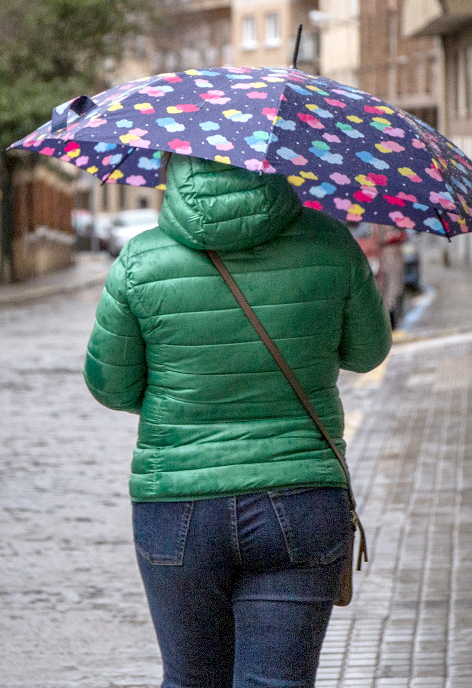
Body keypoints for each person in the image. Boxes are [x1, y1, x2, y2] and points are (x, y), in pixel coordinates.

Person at [83, 154, 392, 688]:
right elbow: (367, 353)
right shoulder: (329, 242)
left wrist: (187, 397)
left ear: (175, 164)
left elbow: (110, 385)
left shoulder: (140, 261)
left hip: (177, 502)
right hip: (299, 495)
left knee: (190, 678)